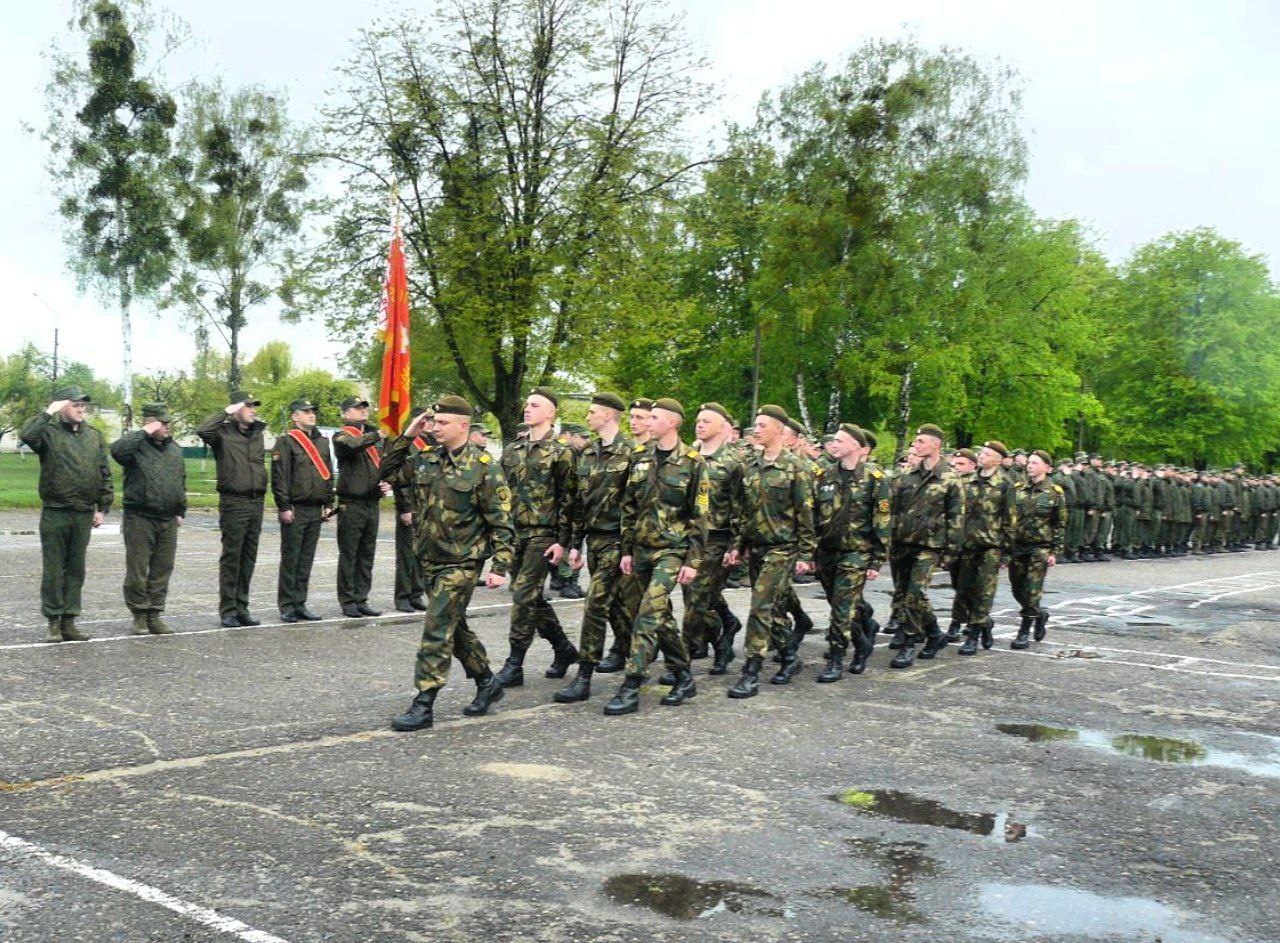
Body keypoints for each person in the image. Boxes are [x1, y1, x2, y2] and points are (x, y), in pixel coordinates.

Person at [380, 396, 515, 731]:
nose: (435, 428)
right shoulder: (426, 459)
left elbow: (501, 520)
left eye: (442, 423)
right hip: (428, 558)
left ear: (463, 426)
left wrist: (500, 566)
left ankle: (423, 703)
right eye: (433, 422)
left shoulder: (484, 466)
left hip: (461, 562)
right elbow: (386, 473)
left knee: (436, 628)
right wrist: (409, 434)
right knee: (454, 628)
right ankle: (487, 682)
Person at [603, 398, 708, 714]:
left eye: (654, 418)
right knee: (660, 618)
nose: (647, 423)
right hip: (640, 550)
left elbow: (700, 515)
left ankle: (632, 684)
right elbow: (628, 507)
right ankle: (684, 675)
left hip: (672, 551)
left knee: (648, 614)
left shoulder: (692, 462)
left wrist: (693, 561)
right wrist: (625, 550)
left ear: (672, 423)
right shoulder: (639, 457)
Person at [554, 392, 641, 703]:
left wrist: (630, 548)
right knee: (618, 604)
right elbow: (580, 502)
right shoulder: (588, 452)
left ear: (608, 415)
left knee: (595, 605)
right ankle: (646, 655)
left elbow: (637, 505)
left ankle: (584, 676)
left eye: (592, 412)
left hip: (620, 540)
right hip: (595, 540)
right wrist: (576, 545)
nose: (587, 417)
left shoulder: (633, 451)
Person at [725, 405, 816, 698]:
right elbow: (743, 510)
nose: (756, 430)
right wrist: (738, 545)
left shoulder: (796, 467)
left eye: (763, 425)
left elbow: (805, 513)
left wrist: (805, 554)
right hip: (757, 547)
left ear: (779, 429)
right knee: (773, 609)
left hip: (783, 548)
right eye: (755, 425)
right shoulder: (750, 465)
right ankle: (790, 656)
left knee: (760, 606)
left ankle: (751, 671)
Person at [494, 388, 579, 687]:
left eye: (535, 405)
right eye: (527, 404)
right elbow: (500, 493)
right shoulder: (512, 450)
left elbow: (569, 500)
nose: (527, 409)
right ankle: (564, 649)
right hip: (516, 533)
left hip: (544, 534)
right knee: (530, 596)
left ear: (551, 413)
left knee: (523, 595)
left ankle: (514, 663)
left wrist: (564, 542)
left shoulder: (563, 452)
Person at [21, 386, 113, 642]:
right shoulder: (47, 433)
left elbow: (104, 472)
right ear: (62, 406)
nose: (81, 408)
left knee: (76, 569)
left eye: (84, 404)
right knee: (54, 569)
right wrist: (48, 411)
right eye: (75, 404)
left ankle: (69, 620)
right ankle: (53, 621)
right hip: (56, 511)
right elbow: (27, 434)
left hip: (83, 512)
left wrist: (103, 507)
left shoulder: (94, 436)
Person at [813, 424, 888, 680]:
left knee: (842, 608)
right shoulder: (823, 475)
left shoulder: (874, 478)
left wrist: (877, 560)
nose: (834, 444)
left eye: (840, 440)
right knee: (841, 604)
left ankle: (835, 659)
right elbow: (813, 516)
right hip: (826, 552)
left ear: (855, 445)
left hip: (856, 553)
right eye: (833, 440)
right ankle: (863, 643)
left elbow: (883, 521)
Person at [886, 424, 964, 668]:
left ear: (936, 445)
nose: (916, 445)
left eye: (921, 441)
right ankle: (934, 634)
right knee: (906, 594)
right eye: (915, 441)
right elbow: (893, 510)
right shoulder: (906, 476)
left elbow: (957, 518)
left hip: (930, 546)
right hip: (903, 544)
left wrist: (951, 552)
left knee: (916, 594)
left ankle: (910, 643)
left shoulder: (950, 479)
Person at [678, 403, 743, 675]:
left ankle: (682, 661)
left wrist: (736, 545)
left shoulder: (733, 462)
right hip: (689, 538)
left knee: (697, 601)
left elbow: (741, 507)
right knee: (698, 597)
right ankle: (723, 635)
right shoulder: (689, 458)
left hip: (717, 539)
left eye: (707, 421)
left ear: (722, 427)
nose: (700, 424)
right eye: (698, 420)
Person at [110, 403, 186, 636]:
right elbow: (116, 451)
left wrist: (180, 509)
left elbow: (180, 480)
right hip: (140, 516)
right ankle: (139, 615)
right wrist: (144, 432)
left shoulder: (174, 449)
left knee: (162, 569)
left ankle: (155, 614)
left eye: (167, 423)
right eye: (162, 423)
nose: (167, 427)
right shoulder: (135, 446)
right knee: (138, 569)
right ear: (150, 423)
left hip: (167, 518)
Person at [197, 392, 268, 628]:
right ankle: (228, 610)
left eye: (254, 406)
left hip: (256, 501)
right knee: (232, 558)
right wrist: (225, 412)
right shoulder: (222, 433)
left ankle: (242, 607)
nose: (253, 410)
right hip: (234, 501)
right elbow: (203, 431)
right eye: (248, 406)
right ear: (236, 408)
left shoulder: (257, 433)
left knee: (248, 557)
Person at [272, 398, 336, 622]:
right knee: (292, 558)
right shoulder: (286, 441)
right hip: (295, 508)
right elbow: (280, 477)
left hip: (315, 507)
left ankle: (300, 603)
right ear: (295, 416)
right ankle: (287, 605)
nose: (311, 415)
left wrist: (328, 503)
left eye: (313, 411)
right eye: (306, 412)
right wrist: (284, 505)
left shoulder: (321, 442)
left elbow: (328, 473)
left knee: (306, 559)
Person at [952, 441, 1017, 656]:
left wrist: (1007, 553)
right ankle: (984, 622)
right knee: (964, 589)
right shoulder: (967, 480)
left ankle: (973, 634)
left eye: (987, 454)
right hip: (967, 544)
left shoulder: (1005, 485)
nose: (982, 456)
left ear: (998, 460)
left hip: (991, 546)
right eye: (982, 452)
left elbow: (1010, 519)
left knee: (984, 591)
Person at [333, 396, 388, 619]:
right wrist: (376, 435)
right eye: (357, 408)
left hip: (371, 503)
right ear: (346, 413)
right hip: (352, 504)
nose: (363, 411)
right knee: (350, 554)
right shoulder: (342, 436)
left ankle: (361, 598)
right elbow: (351, 445)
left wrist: (386, 481)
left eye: (365, 407)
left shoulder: (374, 439)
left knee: (367, 554)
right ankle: (348, 600)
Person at [1009, 450, 1066, 649]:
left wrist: (1054, 551)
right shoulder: (1017, 489)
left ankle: (1024, 630)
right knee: (1018, 589)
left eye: (1035, 463)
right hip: (1017, 545)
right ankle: (1039, 614)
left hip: (1040, 547)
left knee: (1032, 589)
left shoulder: (1054, 493)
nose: (1029, 466)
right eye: (1029, 462)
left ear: (1046, 468)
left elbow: (1059, 524)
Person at [392, 406, 434, 612]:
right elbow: (400, 481)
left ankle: (417, 593)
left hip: (427, 507)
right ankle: (403, 596)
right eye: (428, 420)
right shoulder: (408, 445)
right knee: (407, 554)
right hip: (412, 506)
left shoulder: (432, 444)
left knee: (421, 554)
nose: (433, 423)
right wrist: (405, 508)